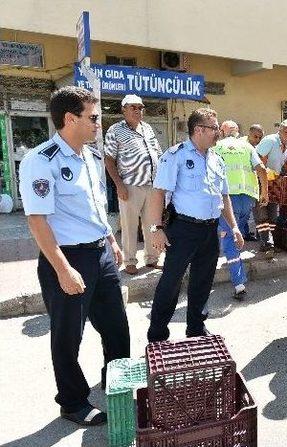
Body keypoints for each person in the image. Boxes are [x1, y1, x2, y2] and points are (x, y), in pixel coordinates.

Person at [18, 86, 130, 425]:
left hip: (99, 253)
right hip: (66, 258)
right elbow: (37, 220)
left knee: (117, 329)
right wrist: (63, 269)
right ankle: (73, 402)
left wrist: (110, 238)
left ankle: (119, 387)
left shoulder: (91, 157)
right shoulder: (42, 160)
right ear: (70, 119)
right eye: (93, 117)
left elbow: (94, 208)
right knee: (68, 337)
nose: (98, 123)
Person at [146, 108, 244, 342]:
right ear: (199, 130)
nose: (218, 132)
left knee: (203, 281)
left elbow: (225, 196)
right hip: (182, 230)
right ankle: (158, 334)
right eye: (214, 128)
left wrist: (235, 227)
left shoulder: (216, 159)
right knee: (171, 282)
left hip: (210, 230)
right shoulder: (176, 155)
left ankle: (196, 328)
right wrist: (156, 229)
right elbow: (158, 193)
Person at [104, 94, 163, 275]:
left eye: (140, 108)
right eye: (133, 107)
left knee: (152, 224)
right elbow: (108, 159)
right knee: (129, 225)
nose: (138, 111)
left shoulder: (148, 128)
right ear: (124, 109)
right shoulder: (115, 130)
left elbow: (158, 154)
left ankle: (152, 259)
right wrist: (119, 185)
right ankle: (130, 261)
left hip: (152, 186)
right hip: (130, 186)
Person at [215, 120, 269, 299]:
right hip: (247, 199)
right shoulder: (246, 147)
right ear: (237, 133)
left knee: (230, 237)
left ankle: (239, 283)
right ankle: (236, 266)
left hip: (227, 198)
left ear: (222, 132)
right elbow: (261, 168)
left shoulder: (217, 146)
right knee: (235, 231)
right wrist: (265, 193)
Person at [254, 119, 287, 254]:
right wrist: (265, 174)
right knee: (262, 213)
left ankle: (266, 241)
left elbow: (286, 161)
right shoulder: (270, 140)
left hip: (274, 183)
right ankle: (268, 244)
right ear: (280, 131)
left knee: (272, 215)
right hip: (260, 180)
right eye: (286, 132)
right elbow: (257, 159)